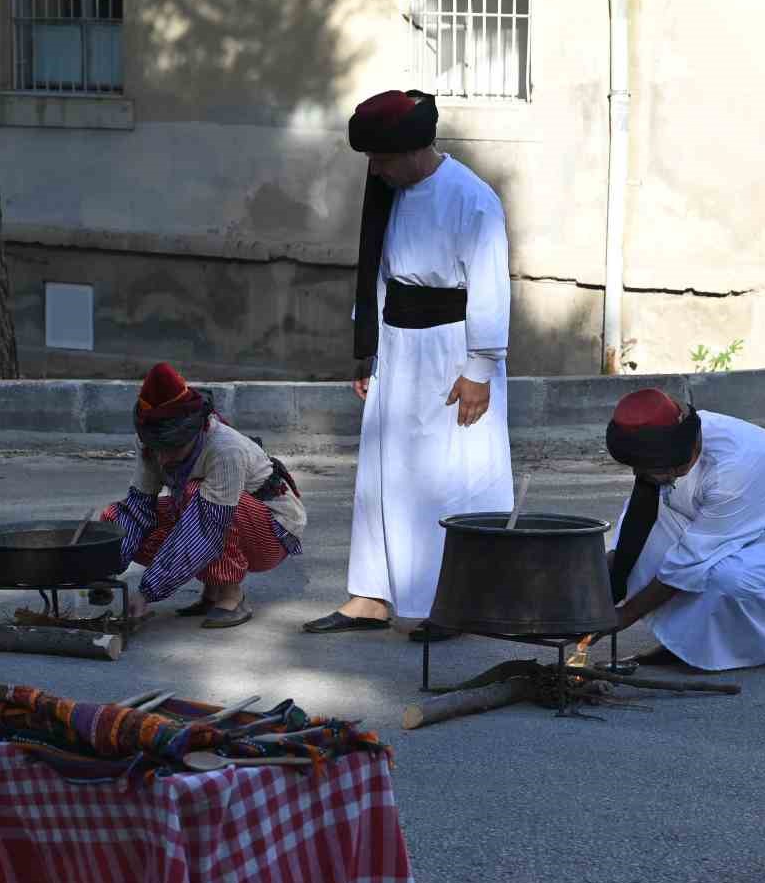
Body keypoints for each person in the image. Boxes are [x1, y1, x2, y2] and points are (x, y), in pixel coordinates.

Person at [302, 89, 513, 641]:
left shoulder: (472, 199)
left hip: (452, 352)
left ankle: (456, 600)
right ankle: (372, 594)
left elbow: (490, 287)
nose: (375, 169)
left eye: (383, 159)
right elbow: (377, 270)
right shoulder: (388, 191)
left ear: (417, 149)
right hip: (397, 346)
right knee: (383, 471)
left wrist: (481, 370)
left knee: (450, 476)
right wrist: (368, 347)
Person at [603, 389, 765, 671]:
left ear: (691, 443)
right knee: (647, 539)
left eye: (671, 468)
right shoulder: (679, 431)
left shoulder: (733, 470)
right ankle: (689, 645)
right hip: (729, 525)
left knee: (724, 577)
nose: (663, 477)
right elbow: (637, 525)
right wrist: (601, 584)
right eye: (648, 470)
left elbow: (687, 564)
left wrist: (625, 615)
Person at [102, 362, 306, 628]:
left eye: (172, 448)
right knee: (115, 517)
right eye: (157, 447)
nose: (163, 457)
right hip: (211, 515)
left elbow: (206, 527)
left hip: (273, 534)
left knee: (196, 497)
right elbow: (137, 508)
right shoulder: (150, 445)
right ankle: (211, 591)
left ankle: (233, 596)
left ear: (194, 431)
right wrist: (105, 569)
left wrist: (147, 592)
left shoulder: (225, 449)